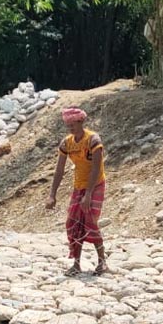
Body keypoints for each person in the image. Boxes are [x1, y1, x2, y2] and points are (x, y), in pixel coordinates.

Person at [46, 108, 108, 276]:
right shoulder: (67, 143)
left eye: (73, 124)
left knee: (90, 221)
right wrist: (52, 195)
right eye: (68, 125)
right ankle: (76, 264)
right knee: (73, 223)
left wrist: (88, 194)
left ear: (81, 122)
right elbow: (59, 170)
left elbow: (96, 168)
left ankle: (102, 261)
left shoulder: (93, 140)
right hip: (78, 185)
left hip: (95, 184)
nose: (70, 128)